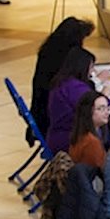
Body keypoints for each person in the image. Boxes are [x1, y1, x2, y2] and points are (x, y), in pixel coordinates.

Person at [29, 17, 95, 145]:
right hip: (53, 122)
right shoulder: (64, 63)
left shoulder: (48, 52)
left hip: (42, 113)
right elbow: (83, 95)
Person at [46, 48, 95, 154]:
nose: (92, 72)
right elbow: (96, 107)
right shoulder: (74, 87)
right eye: (91, 68)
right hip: (69, 138)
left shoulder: (63, 81)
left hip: (59, 134)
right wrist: (105, 92)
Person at [67, 91, 110, 169]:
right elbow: (100, 170)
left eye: (107, 108)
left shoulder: (85, 132)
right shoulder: (91, 142)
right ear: (88, 111)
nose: (107, 112)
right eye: (101, 109)